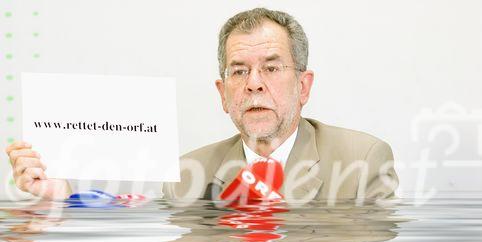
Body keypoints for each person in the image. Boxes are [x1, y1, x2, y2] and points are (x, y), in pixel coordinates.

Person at [5, 8, 398, 202]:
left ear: (304, 85)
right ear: (223, 93)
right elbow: (145, 225)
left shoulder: (363, 159)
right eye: (239, 71)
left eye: (272, 68)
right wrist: (64, 195)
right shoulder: (185, 174)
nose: (255, 84)